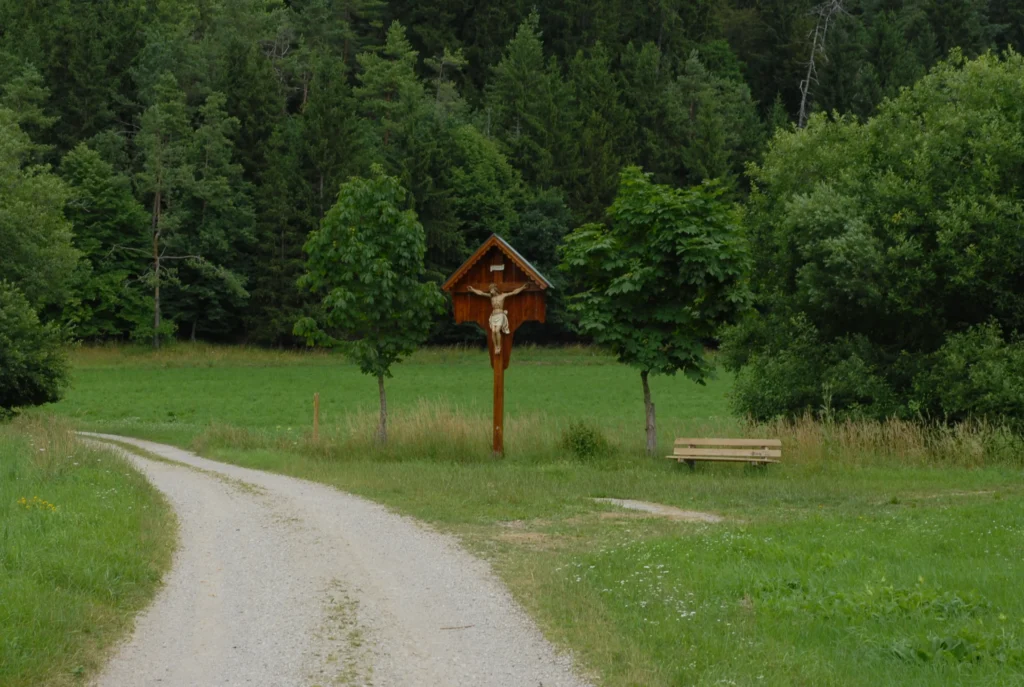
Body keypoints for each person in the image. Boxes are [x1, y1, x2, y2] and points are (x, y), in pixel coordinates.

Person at [467, 282, 528, 353]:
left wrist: (522, 288)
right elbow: (481, 293)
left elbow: (513, 292)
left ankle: (499, 346)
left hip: (500, 315)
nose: (490, 291)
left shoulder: (502, 296)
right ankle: (496, 347)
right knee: (493, 331)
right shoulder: (491, 297)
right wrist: (473, 290)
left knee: (497, 330)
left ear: (495, 289)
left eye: (491, 290)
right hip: (493, 316)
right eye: (490, 290)